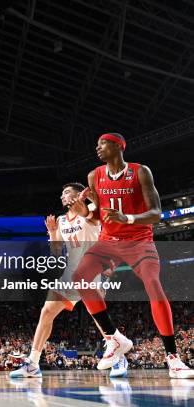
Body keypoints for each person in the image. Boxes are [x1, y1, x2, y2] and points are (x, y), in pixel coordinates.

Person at [70, 133, 193, 379]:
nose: (97, 148)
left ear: (118, 146)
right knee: (79, 278)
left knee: (154, 285)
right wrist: (84, 209)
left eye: (102, 143)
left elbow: (156, 213)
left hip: (139, 240)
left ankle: (173, 358)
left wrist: (128, 218)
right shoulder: (94, 175)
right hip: (108, 241)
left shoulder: (140, 172)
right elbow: (98, 217)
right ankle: (114, 338)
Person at [10, 183, 128, 378]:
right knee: (46, 312)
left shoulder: (91, 210)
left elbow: (103, 213)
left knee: (98, 317)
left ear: (78, 193)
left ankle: (118, 357)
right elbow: (56, 252)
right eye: (62, 193)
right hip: (69, 274)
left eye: (66, 192)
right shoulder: (62, 219)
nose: (62, 196)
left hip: (92, 270)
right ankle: (32, 364)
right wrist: (52, 232)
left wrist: (90, 199)